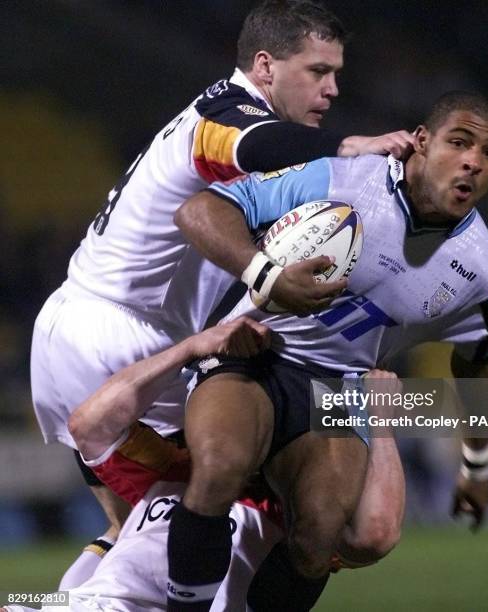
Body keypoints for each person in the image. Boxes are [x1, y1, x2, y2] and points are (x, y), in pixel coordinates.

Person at [29, 0, 413, 588]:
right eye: (317, 71)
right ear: (264, 66)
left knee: (139, 524)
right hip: (123, 337)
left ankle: (46, 604)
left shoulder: (235, 124)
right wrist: (347, 147)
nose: (333, 88)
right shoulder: (227, 117)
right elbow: (258, 148)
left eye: (336, 73)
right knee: (251, 501)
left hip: (85, 329)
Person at [171, 90, 488, 610]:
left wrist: (479, 462)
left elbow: (480, 360)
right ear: (421, 141)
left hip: (337, 389)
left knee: (319, 536)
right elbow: (200, 211)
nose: (473, 161)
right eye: (459, 142)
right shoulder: (341, 178)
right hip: (253, 349)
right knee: (221, 464)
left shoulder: (486, 271)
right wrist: (268, 276)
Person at [2, 320, 403, 612]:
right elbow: (88, 425)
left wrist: (382, 425)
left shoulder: (298, 512)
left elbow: (376, 534)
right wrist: (190, 348)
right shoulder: (179, 470)